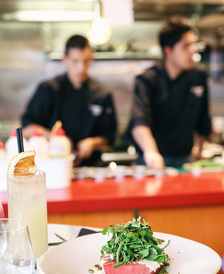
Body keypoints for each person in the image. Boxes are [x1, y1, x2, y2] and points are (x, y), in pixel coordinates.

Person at [127, 16, 212, 170]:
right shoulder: (147, 80)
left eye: (193, 45)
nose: (192, 51)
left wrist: (200, 148)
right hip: (152, 161)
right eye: (185, 46)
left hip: (185, 160)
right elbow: (140, 122)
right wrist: (151, 152)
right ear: (168, 50)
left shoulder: (198, 76)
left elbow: (203, 120)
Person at [21, 35, 117, 166]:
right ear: (65, 59)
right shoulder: (48, 89)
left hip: (90, 167)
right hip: (53, 166)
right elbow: (26, 128)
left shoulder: (102, 93)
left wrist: (93, 143)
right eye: (75, 61)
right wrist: (56, 138)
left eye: (86, 61)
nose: (81, 68)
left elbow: (109, 137)